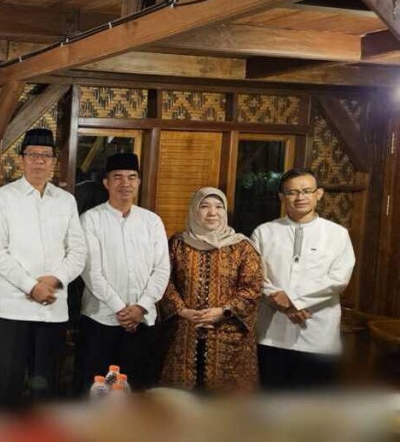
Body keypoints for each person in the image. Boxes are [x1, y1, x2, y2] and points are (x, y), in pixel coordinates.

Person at [0, 128, 86, 408]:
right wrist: (32, 286)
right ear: (22, 159)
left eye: (46, 155)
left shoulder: (66, 200)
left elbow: (78, 251)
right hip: (12, 308)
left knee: (46, 385)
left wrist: (55, 280)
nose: (39, 161)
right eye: (33, 155)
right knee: (7, 384)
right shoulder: (2, 198)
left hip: (52, 307)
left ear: (53, 161)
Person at [251, 168, 355, 390]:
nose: (300, 197)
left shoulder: (337, 234)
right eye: (292, 192)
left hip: (317, 331)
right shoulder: (264, 232)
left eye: (307, 191)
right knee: (272, 397)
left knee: (313, 400)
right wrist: (281, 302)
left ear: (319, 194)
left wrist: (293, 300)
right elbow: (254, 275)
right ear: (282, 197)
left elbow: (339, 278)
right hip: (272, 331)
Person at [79, 153, 170, 391]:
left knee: (138, 391)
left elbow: (162, 269)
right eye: (117, 177)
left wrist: (141, 307)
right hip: (101, 321)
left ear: (138, 182)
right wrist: (122, 309)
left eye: (131, 177)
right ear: (106, 183)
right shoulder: (91, 219)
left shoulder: (152, 221)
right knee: (100, 392)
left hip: (143, 321)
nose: (125, 183)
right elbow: (91, 272)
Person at [159, 187, 263, 393]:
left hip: (229, 335)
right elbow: (164, 281)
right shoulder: (178, 244)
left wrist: (223, 311)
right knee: (181, 401)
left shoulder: (242, 247)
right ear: (194, 210)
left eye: (219, 207)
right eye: (204, 206)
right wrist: (182, 310)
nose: (212, 213)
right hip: (183, 333)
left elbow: (252, 288)